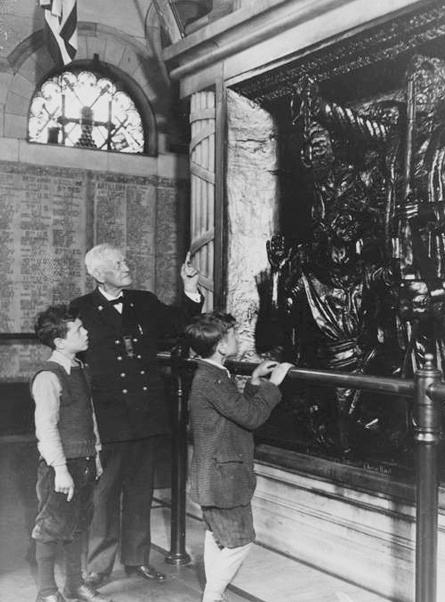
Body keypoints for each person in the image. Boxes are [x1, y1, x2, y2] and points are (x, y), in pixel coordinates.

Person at [70, 244, 203, 587]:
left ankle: (137, 558)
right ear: (98, 274)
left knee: (141, 490)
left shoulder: (143, 301)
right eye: (118, 263)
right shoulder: (81, 309)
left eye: (126, 260)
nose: (127, 266)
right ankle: (99, 566)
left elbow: (180, 325)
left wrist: (189, 289)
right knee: (105, 494)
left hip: (146, 414)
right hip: (110, 417)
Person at [184, 311, 293, 602]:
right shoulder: (212, 380)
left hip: (217, 474)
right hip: (223, 478)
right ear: (221, 346)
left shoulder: (214, 374)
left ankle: (214, 595)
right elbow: (252, 416)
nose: (237, 337)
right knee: (241, 542)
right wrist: (274, 385)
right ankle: (212, 595)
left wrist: (255, 380)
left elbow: (234, 411)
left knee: (217, 537)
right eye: (232, 334)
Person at [30, 305, 110, 602]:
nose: (86, 332)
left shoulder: (80, 369)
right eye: (78, 330)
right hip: (59, 467)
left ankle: (74, 584)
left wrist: (96, 454)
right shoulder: (48, 377)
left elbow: (89, 418)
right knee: (51, 528)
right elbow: (46, 429)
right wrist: (61, 469)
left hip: (86, 460)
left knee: (79, 525)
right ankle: (47, 592)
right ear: (60, 341)